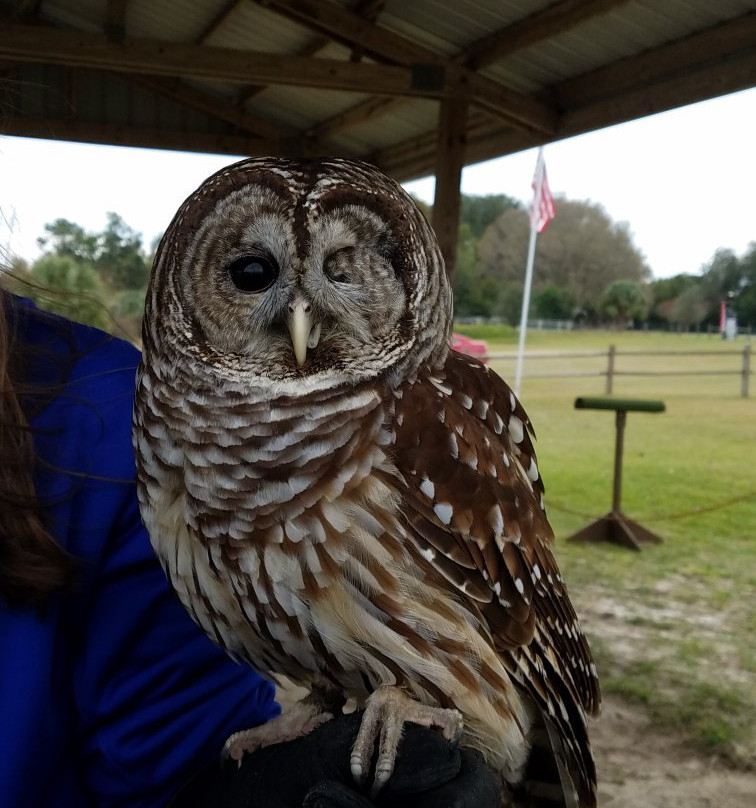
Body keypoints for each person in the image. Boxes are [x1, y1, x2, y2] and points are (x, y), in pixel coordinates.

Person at [0, 288, 500, 808]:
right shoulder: (149, 413)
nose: (301, 312)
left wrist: (227, 796)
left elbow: (173, 738)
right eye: (252, 273)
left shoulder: (83, 399)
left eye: (347, 274)